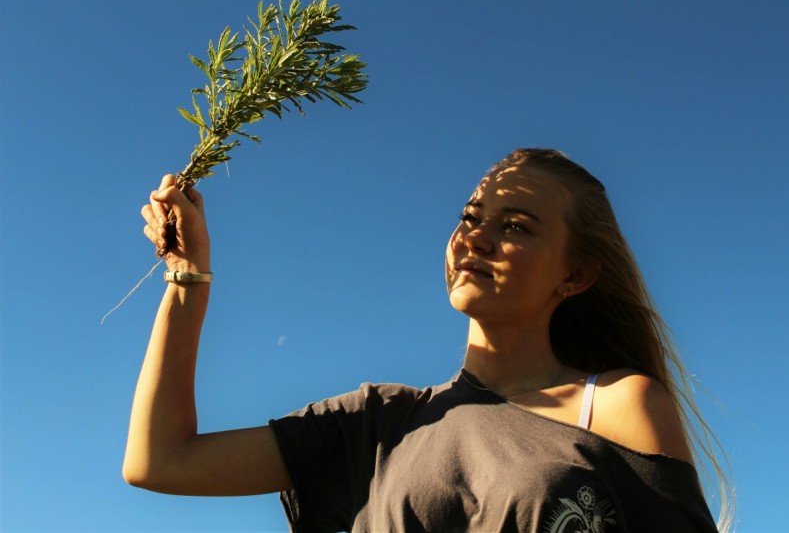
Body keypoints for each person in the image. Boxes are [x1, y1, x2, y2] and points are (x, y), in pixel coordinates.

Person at [125, 148, 732, 532]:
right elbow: (161, 460)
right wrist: (188, 279)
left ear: (575, 275)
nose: (477, 239)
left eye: (516, 227)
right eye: (470, 218)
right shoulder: (378, 424)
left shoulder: (618, 406)